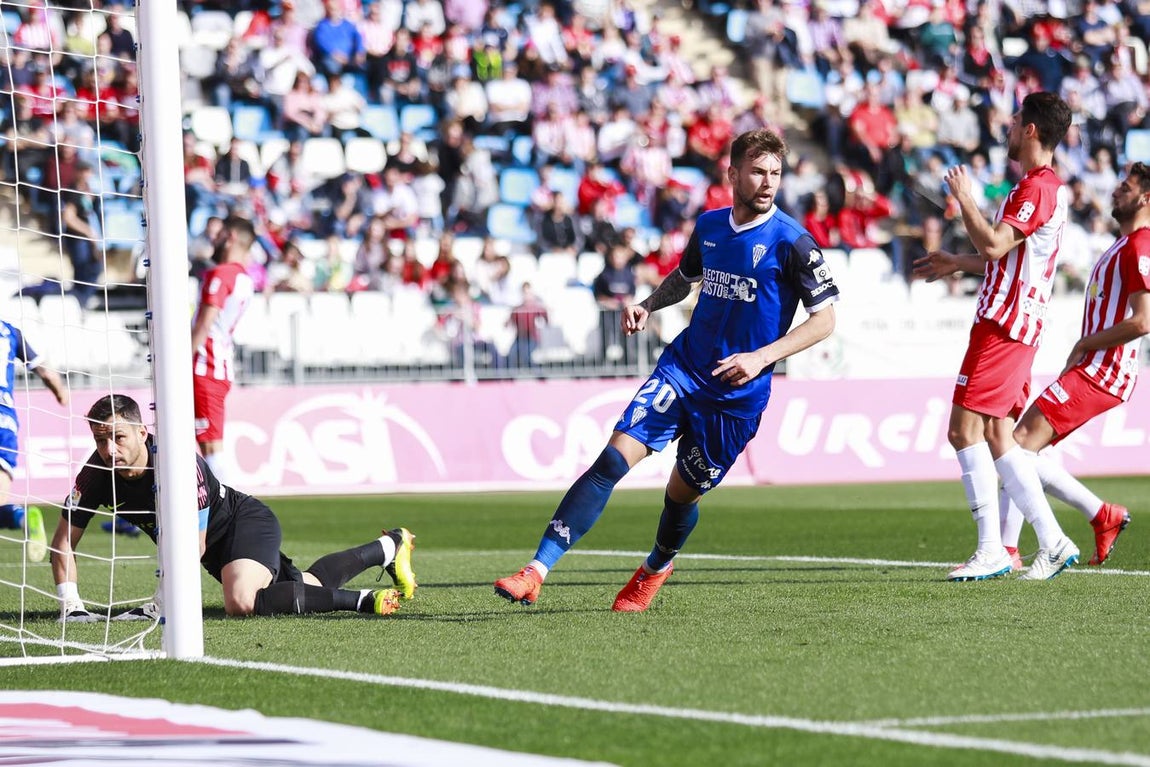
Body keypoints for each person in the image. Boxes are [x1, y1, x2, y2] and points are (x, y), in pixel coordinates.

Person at [493, 129, 839, 612]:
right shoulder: (711, 226)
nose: (768, 183)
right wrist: (649, 303)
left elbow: (825, 320)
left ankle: (655, 568)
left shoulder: (793, 242)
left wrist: (762, 357)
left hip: (735, 397)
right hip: (684, 369)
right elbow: (687, 276)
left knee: (681, 496)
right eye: (758, 172)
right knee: (611, 460)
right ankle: (536, 570)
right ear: (732, 174)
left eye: (775, 173)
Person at [50, 394, 417, 622]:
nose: (109, 449)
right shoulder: (95, 475)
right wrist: (71, 605)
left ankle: (364, 601)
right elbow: (64, 541)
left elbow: (194, 544)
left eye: (118, 437)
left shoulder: (177, 463)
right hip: (216, 551)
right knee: (306, 587)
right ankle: (389, 546)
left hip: (242, 523)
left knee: (240, 601)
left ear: (142, 433)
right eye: (100, 440)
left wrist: (161, 602)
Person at [913, 92, 1078, 582]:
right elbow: (1001, 258)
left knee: (962, 430)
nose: (1008, 127)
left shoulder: (1037, 188)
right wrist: (956, 262)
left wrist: (964, 196)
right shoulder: (1040, 187)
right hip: (1017, 325)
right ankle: (1052, 542)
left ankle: (992, 549)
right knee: (996, 433)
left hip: (1004, 325)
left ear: (1030, 130)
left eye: (1014, 120)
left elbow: (993, 245)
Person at [998, 163, 1150, 570]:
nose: (1115, 191)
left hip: (1104, 371)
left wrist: (1085, 344)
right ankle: (1101, 515)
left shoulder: (1141, 246)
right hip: (1094, 368)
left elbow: (1143, 321)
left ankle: (1009, 551)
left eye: (1125, 187)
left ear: (1145, 198)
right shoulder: (1123, 244)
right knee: (1021, 449)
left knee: (1017, 444)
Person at [191, 216, 257, 482]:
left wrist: (178, 363)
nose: (213, 240)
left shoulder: (221, 274)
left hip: (205, 366)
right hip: (218, 365)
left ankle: (229, 504)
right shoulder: (245, 279)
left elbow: (204, 325)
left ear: (230, 237)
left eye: (218, 235)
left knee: (211, 449)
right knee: (203, 444)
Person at [0, 321, 68, 562]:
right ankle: (22, 518)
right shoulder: (11, 332)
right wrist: (61, 394)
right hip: (5, 422)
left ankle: (21, 518)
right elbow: (46, 372)